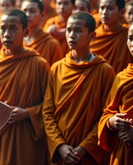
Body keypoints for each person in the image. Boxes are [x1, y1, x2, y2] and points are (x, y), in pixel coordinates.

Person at [43, 12, 115, 165]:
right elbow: (48, 111)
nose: (71, 35)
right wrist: (60, 145)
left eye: (78, 30)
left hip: (88, 153)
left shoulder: (104, 71)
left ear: (92, 35)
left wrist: (84, 148)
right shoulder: (57, 68)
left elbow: (106, 114)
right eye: (68, 30)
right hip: (62, 151)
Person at [0, 8, 49, 165]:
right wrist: (0, 114)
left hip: (29, 135)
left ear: (25, 31)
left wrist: (27, 113)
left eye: (13, 28)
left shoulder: (39, 64)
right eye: (3, 28)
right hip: (1, 135)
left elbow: (50, 105)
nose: (7, 34)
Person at [98, 17, 133, 165]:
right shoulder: (123, 76)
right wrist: (112, 122)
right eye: (130, 38)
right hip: (123, 153)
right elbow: (108, 113)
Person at [90, 0, 133, 73]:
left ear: (122, 12)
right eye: (102, 8)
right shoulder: (93, 35)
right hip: (97, 82)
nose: (104, 12)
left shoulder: (129, 34)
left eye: (110, 8)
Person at [22, 0, 62, 65]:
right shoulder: (16, 41)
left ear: (42, 15)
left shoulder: (51, 43)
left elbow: (56, 72)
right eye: (24, 11)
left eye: (32, 11)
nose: (27, 15)